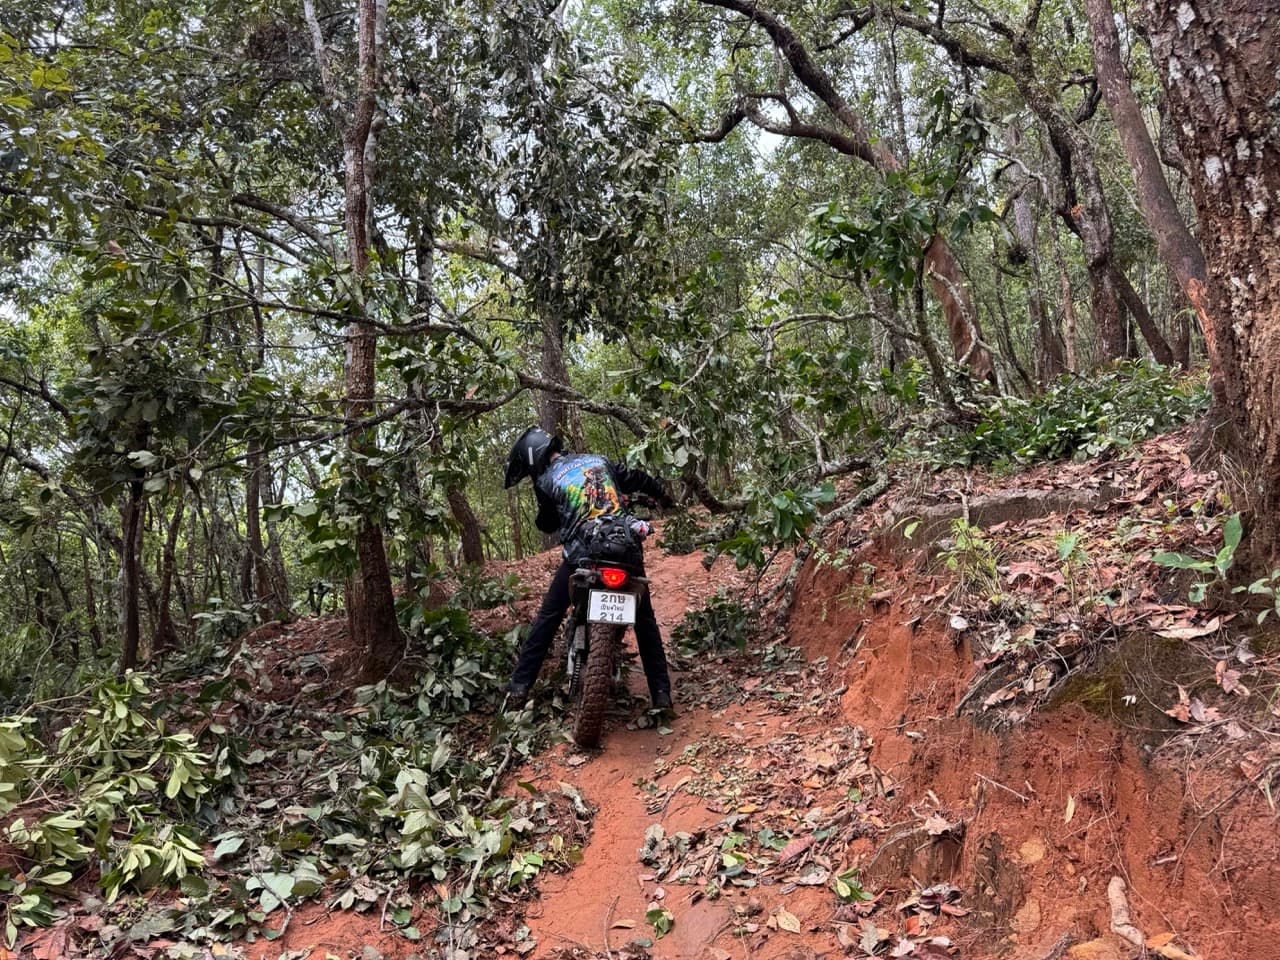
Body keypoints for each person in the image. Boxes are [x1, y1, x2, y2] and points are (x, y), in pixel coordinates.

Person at [502, 425, 675, 711]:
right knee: (645, 620)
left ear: (532, 459)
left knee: (548, 616)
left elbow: (546, 523)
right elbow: (638, 479)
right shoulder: (600, 460)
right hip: (624, 546)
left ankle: (518, 689)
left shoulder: (546, 481)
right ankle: (661, 694)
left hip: (582, 554)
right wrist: (663, 497)